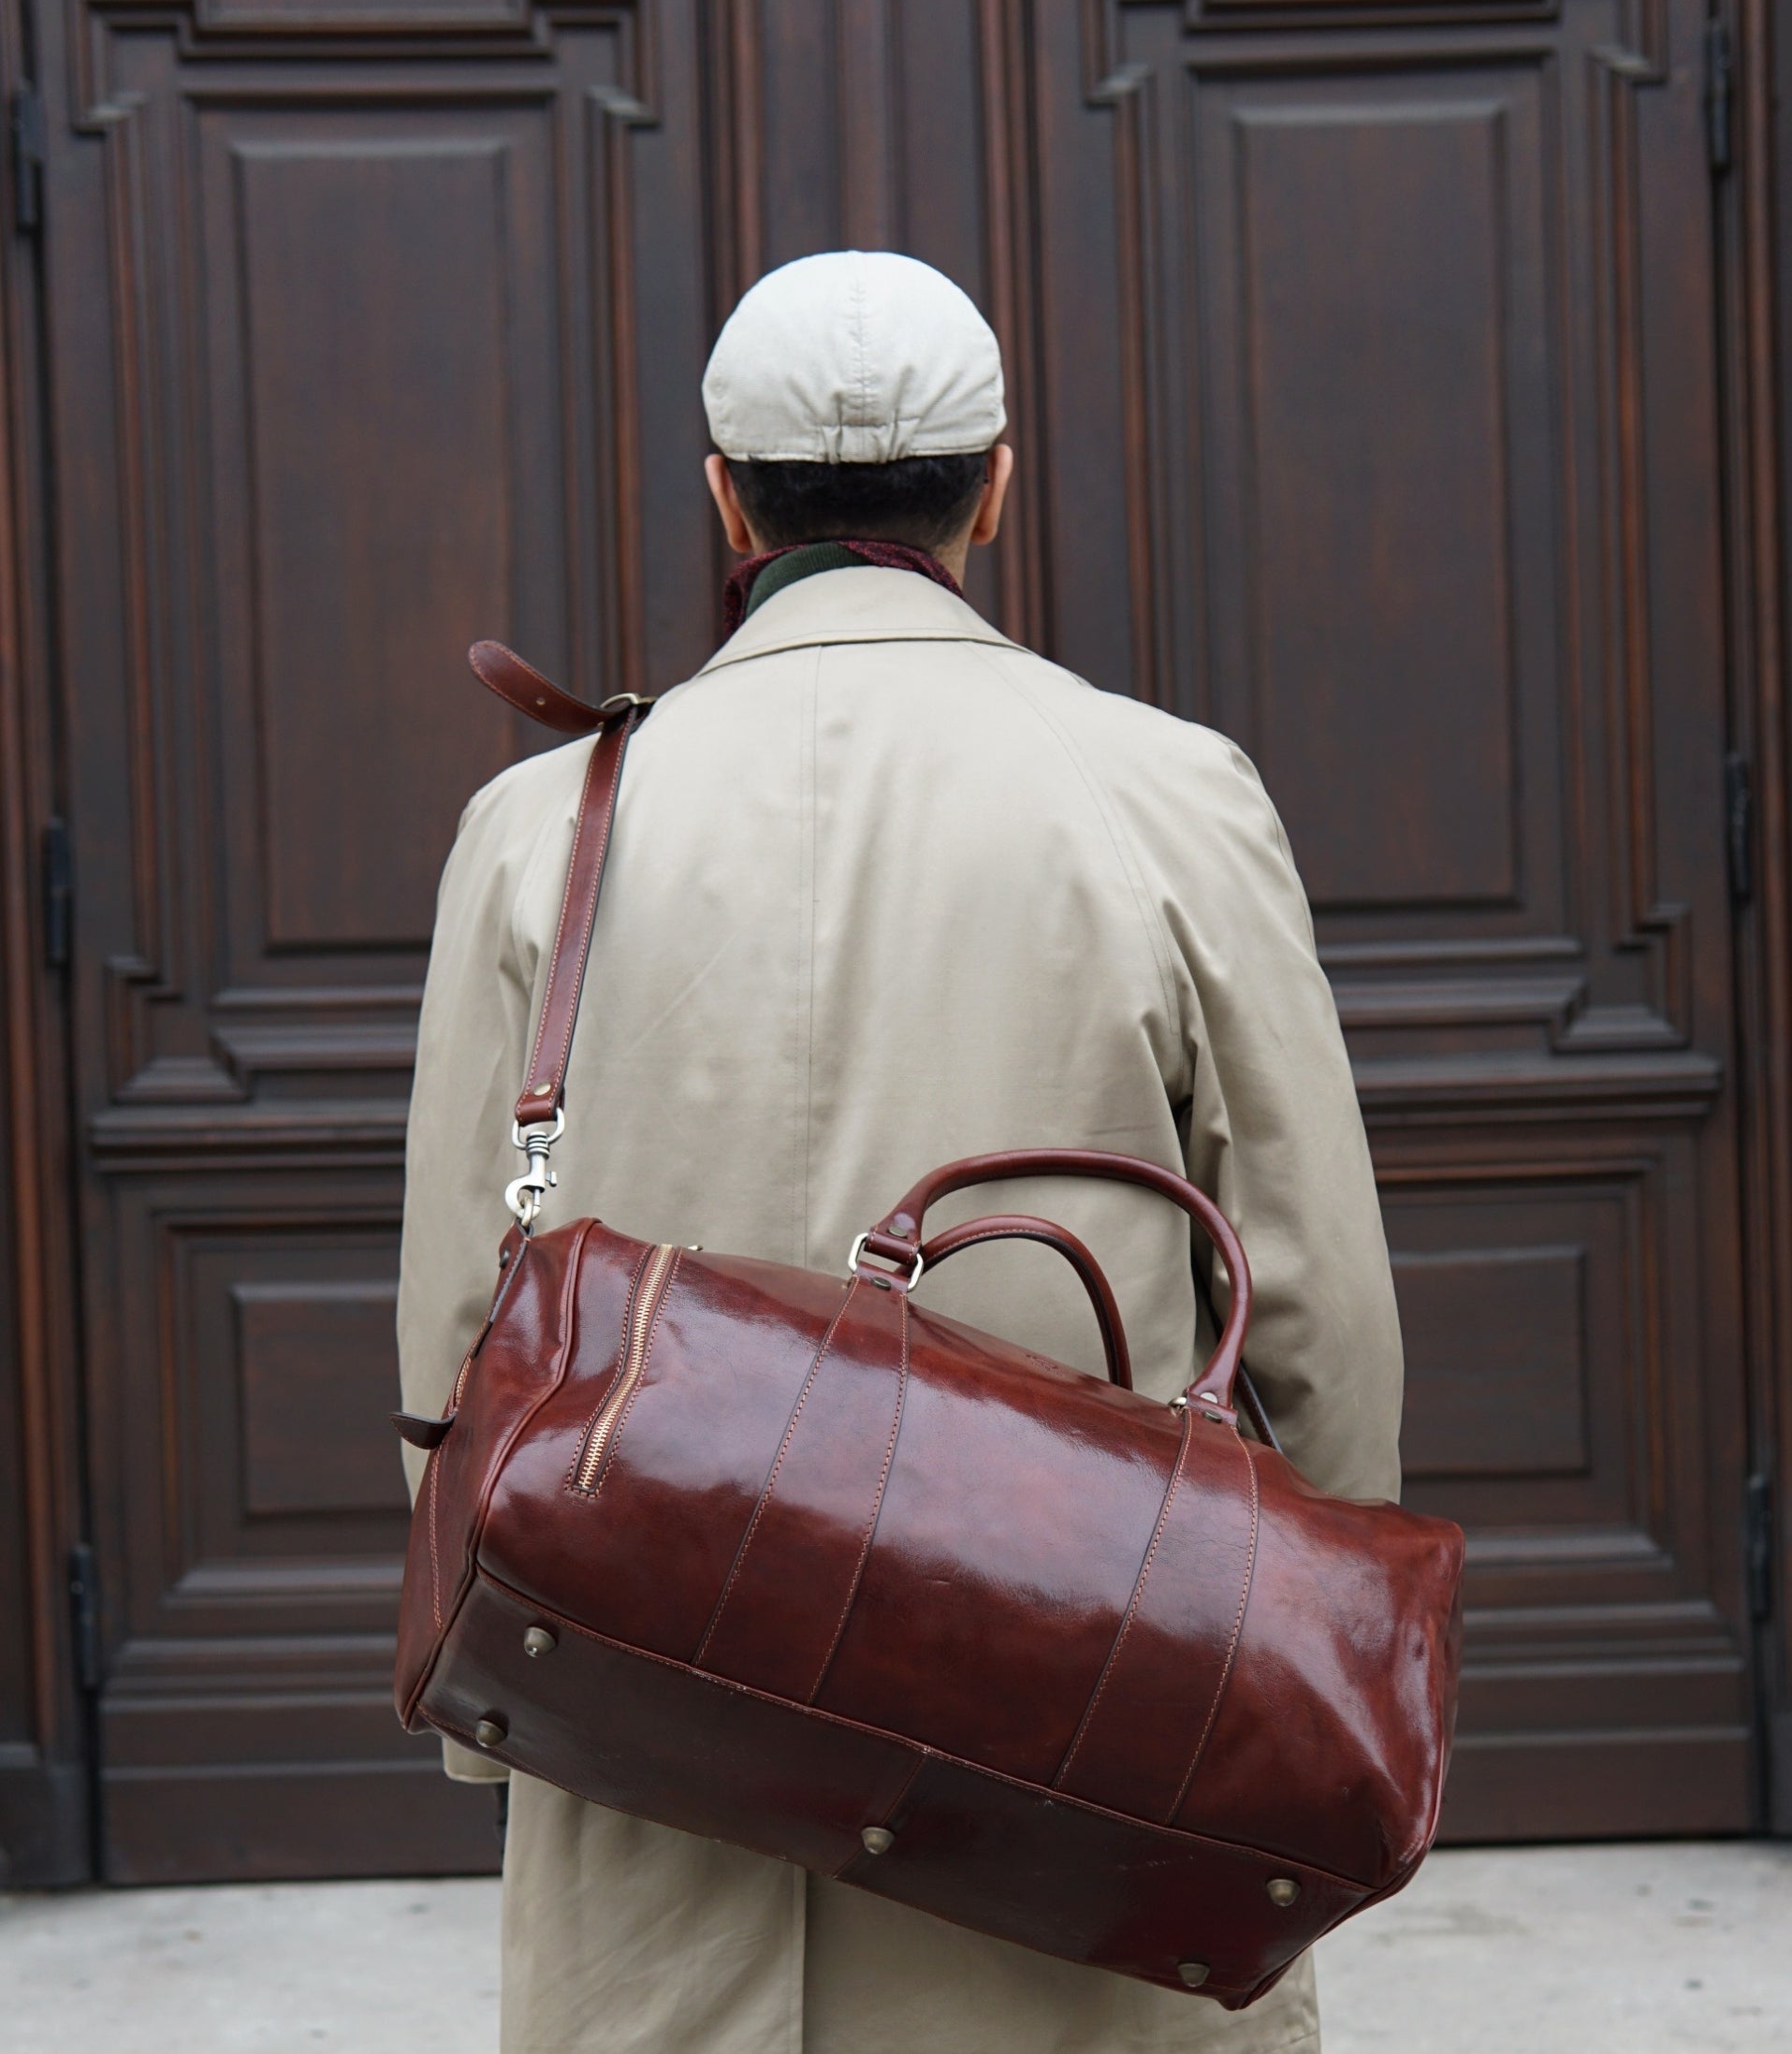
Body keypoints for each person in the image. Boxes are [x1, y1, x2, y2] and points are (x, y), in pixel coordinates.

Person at [398, 250, 1404, 2054]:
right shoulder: (1171, 791)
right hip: (1074, 1740)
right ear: (995, 484)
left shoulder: (540, 826)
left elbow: (462, 1327)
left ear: (721, 487)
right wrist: (1301, 1683)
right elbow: (1317, 1291)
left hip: (654, 1723)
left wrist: (502, 1700)